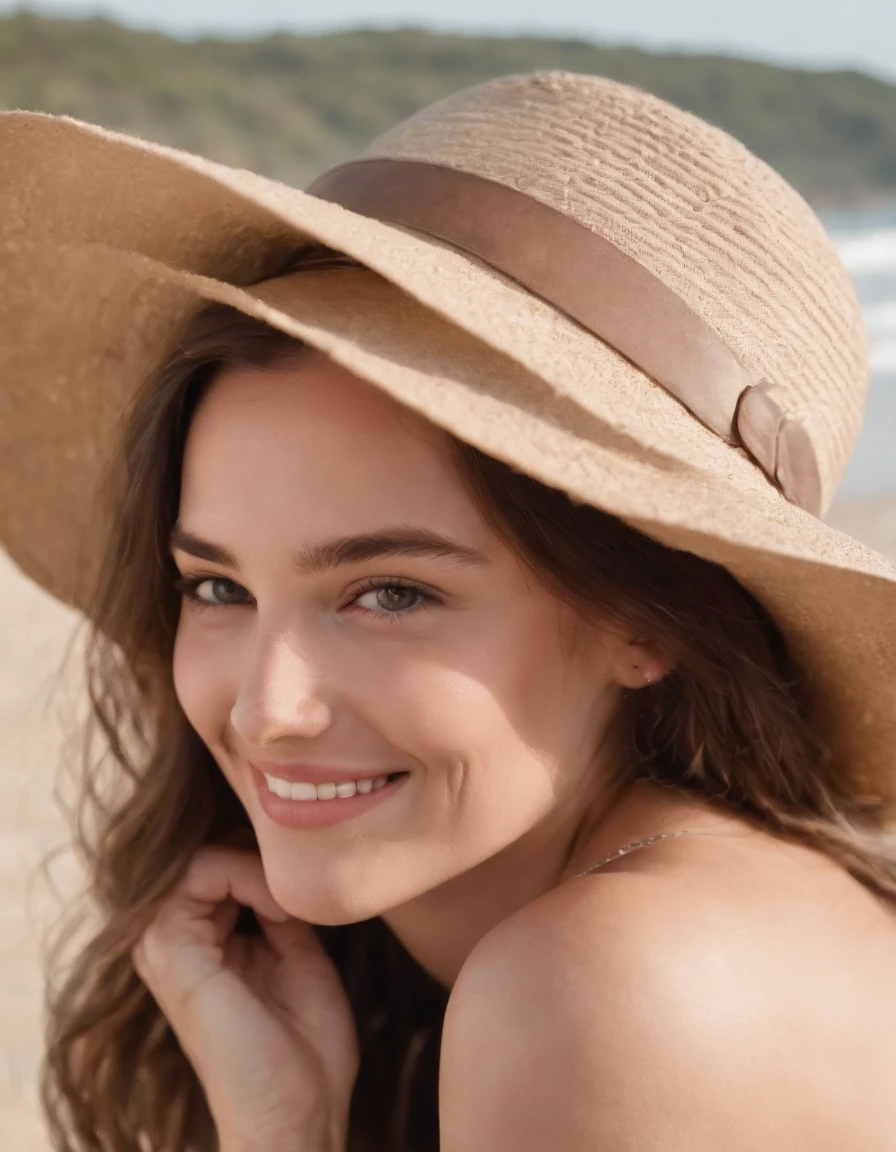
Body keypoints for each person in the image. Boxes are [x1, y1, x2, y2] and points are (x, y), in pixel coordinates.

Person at [2, 70, 895, 1152]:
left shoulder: (606, 984)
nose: (267, 709)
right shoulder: (667, 914)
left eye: (389, 593)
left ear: (649, 619)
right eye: (217, 587)